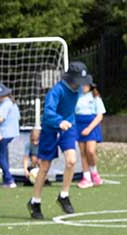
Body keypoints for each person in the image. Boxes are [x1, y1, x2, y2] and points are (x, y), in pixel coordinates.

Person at [28, 61, 92, 220]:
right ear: (70, 79)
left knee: (71, 161)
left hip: (69, 126)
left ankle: (64, 195)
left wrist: (67, 123)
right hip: (51, 129)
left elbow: (70, 110)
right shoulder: (56, 91)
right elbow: (48, 113)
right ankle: (35, 201)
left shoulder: (78, 91)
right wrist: (59, 122)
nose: (82, 86)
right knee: (44, 167)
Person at [0, 83, 21, 188]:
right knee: (1, 155)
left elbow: (1, 118)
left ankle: (8, 179)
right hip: (11, 133)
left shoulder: (5, 104)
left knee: (0, 157)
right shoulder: (12, 103)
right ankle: (2, 178)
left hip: (3, 134)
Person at [74, 82, 106, 188]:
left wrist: (89, 128)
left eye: (85, 85)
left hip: (91, 125)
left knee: (90, 151)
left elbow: (100, 116)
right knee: (83, 153)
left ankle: (94, 173)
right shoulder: (76, 96)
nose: (83, 87)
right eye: (82, 85)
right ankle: (86, 178)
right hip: (79, 124)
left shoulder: (95, 97)